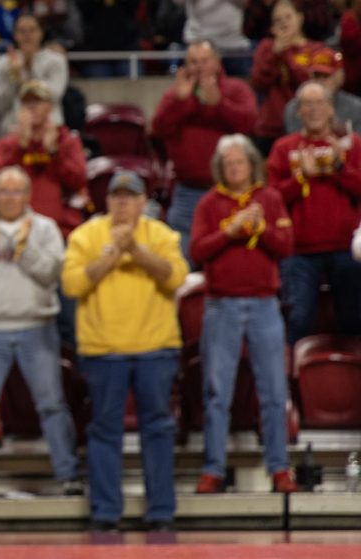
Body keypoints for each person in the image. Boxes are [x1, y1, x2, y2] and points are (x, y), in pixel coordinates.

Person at [62, 170, 188, 532]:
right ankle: (104, 513)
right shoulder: (86, 235)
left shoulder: (161, 234)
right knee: (103, 430)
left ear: (142, 202)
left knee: (159, 430)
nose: (122, 203)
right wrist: (112, 255)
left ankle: (161, 512)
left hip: (156, 348)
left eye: (130, 197)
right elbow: (71, 284)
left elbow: (175, 276)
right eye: (116, 197)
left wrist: (136, 251)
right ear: (107, 201)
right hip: (104, 350)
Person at [0, 166, 80, 498]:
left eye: (16, 191)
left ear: (27, 195)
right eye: (3, 191)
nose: (10, 198)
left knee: (52, 404)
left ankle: (68, 475)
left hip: (37, 327)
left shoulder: (45, 229)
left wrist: (25, 250)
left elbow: (53, 274)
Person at [189, 135, 297, 495]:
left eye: (240, 162)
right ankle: (213, 469)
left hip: (265, 304)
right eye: (229, 164)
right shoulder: (209, 204)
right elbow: (198, 251)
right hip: (222, 306)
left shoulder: (270, 199)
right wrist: (229, 231)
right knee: (217, 392)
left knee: (273, 391)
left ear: (252, 165)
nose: (235, 169)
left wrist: (261, 229)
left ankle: (279, 468)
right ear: (221, 169)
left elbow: (286, 247)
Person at [267, 81, 361, 343]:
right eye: (307, 104)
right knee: (298, 319)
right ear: (298, 112)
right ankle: (296, 381)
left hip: (346, 248)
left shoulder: (351, 145)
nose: (314, 109)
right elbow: (272, 198)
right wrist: (301, 178)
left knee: (353, 320)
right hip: (299, 252)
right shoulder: (284, 149)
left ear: (331, 109)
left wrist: (340, 167)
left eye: (320, 103)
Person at [151, 41, 258, 260]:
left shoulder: (236, 89)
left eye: (205, 60)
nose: (199, 67)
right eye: (193, 62)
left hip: (232, 193)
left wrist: (220, 104)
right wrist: (179, 101)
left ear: (218, 63)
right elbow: (158, 130)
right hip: (187, 193)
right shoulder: (177, 94)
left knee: (231, 258)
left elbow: (249, 124)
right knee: (181, 263)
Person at [0, 81, 87, 238]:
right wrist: (20, 147)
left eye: (37, 101)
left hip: (59, 230)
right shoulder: (8, 144)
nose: (31, 107)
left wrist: (54, 153)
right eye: (26, 102)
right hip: (15, 230)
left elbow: (79, 181)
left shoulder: (66, 141)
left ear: (49, 107)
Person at [250, 3, 325, 156]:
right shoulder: (266, 47)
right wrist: (273, 54)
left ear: (300, 18)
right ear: (272, 27)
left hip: (305, 124)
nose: (284, 23)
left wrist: (285, 54)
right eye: (278, 20)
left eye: (288, 17)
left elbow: (308, 85)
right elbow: (258, 82)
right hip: (271, 127)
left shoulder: (315, 49)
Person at [0, 14, 67, 137]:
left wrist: (25, 72)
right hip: (12, 128)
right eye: (22, 31)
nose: (27, 35)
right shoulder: (3, 63)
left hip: (49, 128)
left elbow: (54, 95)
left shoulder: (56, 61)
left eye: (32, 30)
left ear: (41, 33)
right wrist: (14, 77)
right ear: (15, 35)